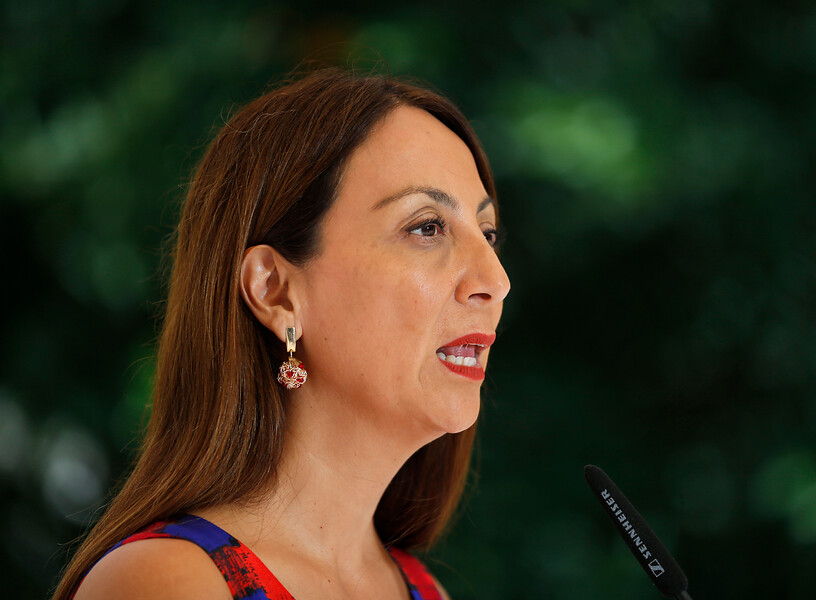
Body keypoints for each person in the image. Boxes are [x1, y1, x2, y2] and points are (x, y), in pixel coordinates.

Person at [52, 68, 510, 600]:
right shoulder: (166, 584)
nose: (496, 281)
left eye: (488, 233)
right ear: (274, 290)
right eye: (426, 227)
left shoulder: (426, 591)